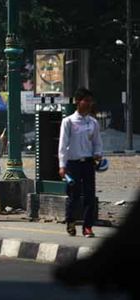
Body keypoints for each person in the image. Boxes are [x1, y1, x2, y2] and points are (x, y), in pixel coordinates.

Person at [58, 88, 103, 238]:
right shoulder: (68, 121)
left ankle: (87, 227)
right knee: (74, 196)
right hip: (73, 164)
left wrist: (98, 154)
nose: (89, 104)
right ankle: (71, 221)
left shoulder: (93, 122)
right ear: (78, 102)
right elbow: (63, 145)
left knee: (90, 196)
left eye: (91, 101)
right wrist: (62, 165)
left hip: (88, 163)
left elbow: (97, 142)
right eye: (86, 100)